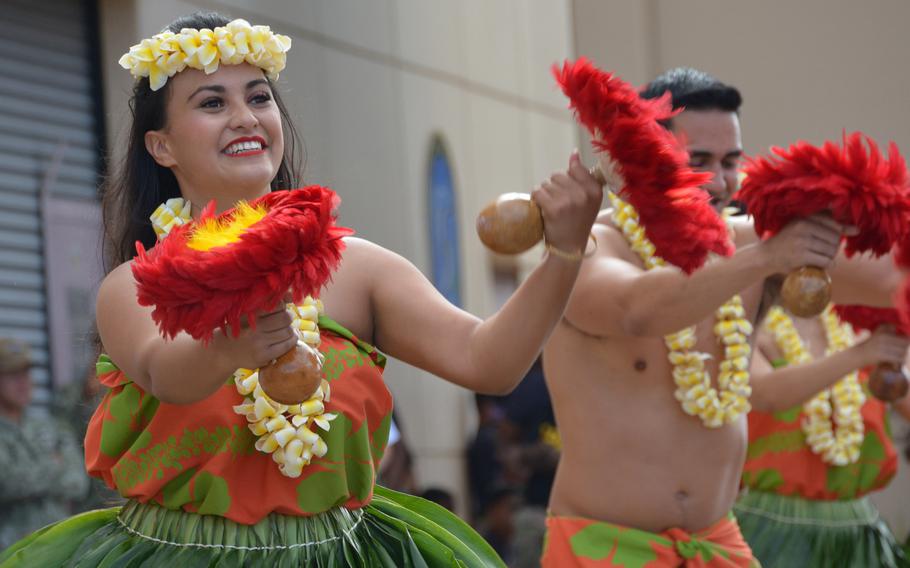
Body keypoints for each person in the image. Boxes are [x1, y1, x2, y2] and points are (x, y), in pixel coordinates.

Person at [0, 11, 601, 567]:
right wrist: (231, 348)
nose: (245, 116)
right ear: (162, 146)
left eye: (258, 97)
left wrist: (565, 253)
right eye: (212, 102)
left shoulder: (358, 268)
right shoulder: (135, 284)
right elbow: (162, 374)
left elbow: (488, 361)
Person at [540, 67, 903, 566]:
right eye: (698, 161)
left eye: (731, 161)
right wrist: (765, 259)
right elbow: (634, 311)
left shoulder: (750, 242)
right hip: (604, 546)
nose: (720, 181)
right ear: (642, 155)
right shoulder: (587, 246)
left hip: (720, 544)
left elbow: (888, 278)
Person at [738, 306, 910, 567]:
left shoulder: (865, 331)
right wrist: (859, 355)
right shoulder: (748, 323)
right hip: (770, 526)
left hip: (856, 530)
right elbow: (766, 394)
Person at [0, 338, 89, 551]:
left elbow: (78, 483)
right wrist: (55, 465)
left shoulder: (51, 427)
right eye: (13, 375)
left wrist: (30, 474)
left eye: (26, 373)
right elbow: (6, 483)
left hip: (59, 549)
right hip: (11, 552)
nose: (24, 382)